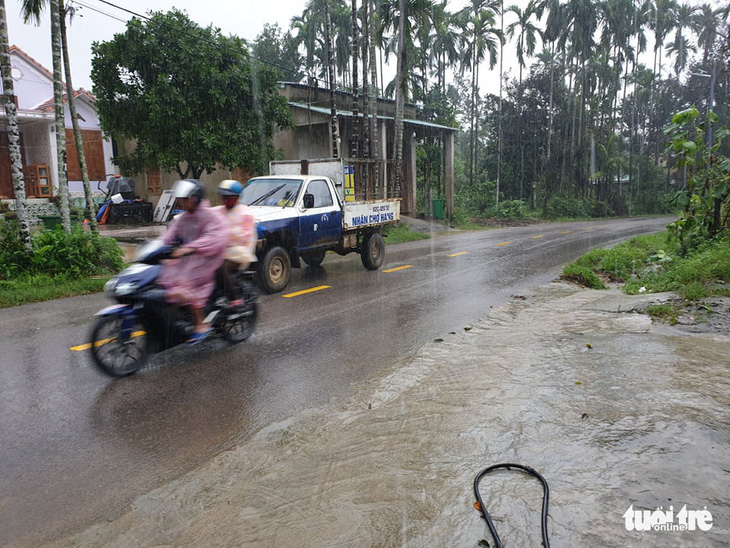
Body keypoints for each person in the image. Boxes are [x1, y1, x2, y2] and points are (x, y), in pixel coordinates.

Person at [158, 179, 229, 345]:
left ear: (195, 198)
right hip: (189, 258)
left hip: (208, 258)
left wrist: (191, 248)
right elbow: (168, 236)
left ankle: (200, 323)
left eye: (184, 199)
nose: (181, 202)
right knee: (163, 276)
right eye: (180, 199)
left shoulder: (210, 216)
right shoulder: (182, 218)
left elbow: (215, 237)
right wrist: (155, 247)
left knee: (183, 282)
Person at [213, 179, 257, 304]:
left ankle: (234, 298)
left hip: (240, 252)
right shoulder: (219, 210)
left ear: (237, 197)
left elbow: (243, 235)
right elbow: (205, 216)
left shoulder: (244, 213)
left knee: (220, 266)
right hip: (221, 250)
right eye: (223, 197)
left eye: (229, 197)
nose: (225, 200)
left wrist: (224, 236)